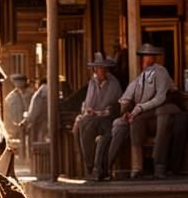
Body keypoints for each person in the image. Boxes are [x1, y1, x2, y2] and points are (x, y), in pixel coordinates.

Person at [106, 43, 180, 179]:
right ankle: (137, 167)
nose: (145, 59)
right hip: (146, 113)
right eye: (144, 56)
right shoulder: (141, 77)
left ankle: (159, 166)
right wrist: (126, 110)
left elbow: (160, 97)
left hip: (164, 107)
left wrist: (138, 108)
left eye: (148, 56)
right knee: (135, 121)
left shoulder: (160, 71)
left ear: (153, 58)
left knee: (159, 115)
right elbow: (127, 96)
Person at [74, 53, 122, 180]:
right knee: (84, 126)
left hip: (107, 118)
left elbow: (113, 105)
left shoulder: (113, 83)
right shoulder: (92, 82)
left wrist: (99, 112)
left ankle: (99, 169)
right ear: (95, 69)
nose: (101, 71)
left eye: (104, 68)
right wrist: (87, 111)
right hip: (94, 118)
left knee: (104, 132)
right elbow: (88, 102)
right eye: (99, 68)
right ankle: (90, 167)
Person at [4, 73, 31, 152]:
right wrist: (11, 124)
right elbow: (7, 112)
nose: (18, 84)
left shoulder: (31, 94)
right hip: (15, 125)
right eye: (16, 82)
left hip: (29, 124)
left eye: (21, 81)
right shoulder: (11, 97)